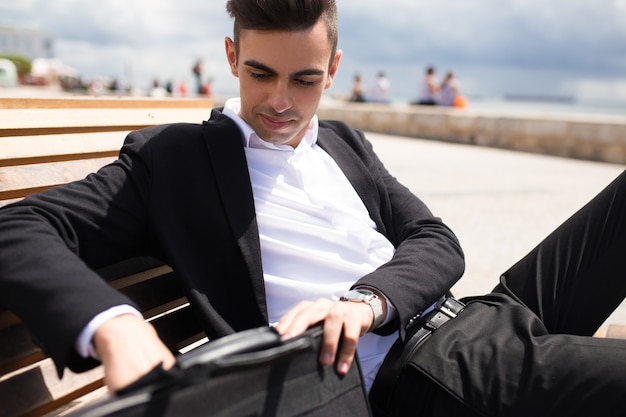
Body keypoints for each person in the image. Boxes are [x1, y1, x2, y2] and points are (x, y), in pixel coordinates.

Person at [0, 1, 625, 417]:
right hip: (420, 370)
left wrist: (366, 300)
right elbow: (19, 226)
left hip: (481, 314)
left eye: (304, 79)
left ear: (333, 69)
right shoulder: (176, 161)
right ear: (230, 57)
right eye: (260, 73)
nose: (279, 101)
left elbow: (437, 240)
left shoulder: (343, 142)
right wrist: (114, 324)